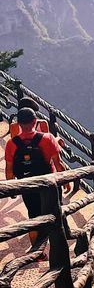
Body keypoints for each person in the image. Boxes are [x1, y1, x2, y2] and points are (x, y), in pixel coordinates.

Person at [5, 107, 65, 250]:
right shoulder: (47, 138)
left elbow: (9, 169)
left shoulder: (11, 144)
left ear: (18, 123)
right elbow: (58, 163)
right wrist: (64, 181)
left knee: (33, 217)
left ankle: (37, 252)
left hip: (28, 186)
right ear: (35, 121)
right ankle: (58, 250)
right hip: (48, 185)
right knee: (55, 215)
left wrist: (11, 188)